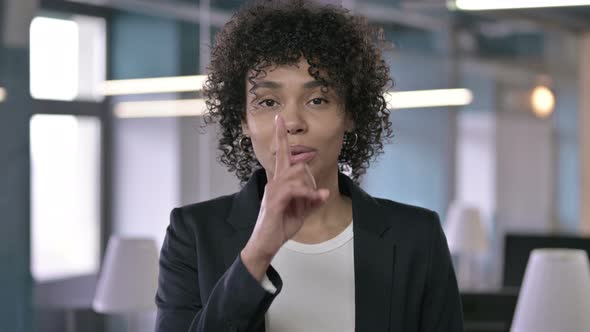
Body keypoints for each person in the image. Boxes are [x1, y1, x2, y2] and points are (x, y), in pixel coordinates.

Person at [155, 0, 463, 331]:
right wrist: (259, 251)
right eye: (268, 102)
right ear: (241, 119)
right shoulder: (194, 234)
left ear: (350, 115)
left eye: (317, 100)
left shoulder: (417, 237)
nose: (291, 122)